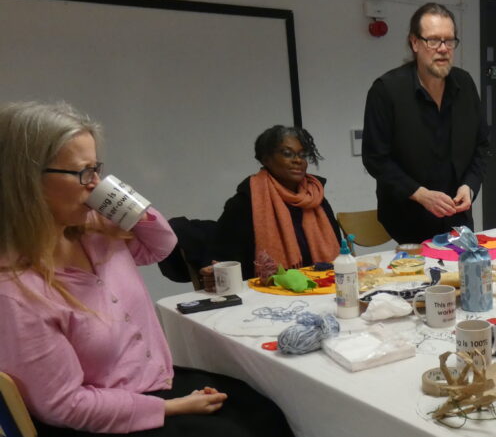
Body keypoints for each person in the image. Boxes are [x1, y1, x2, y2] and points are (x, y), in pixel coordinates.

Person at [0, 101, 293, 436]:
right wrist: (172, 407)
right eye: (84, 172)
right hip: (99, 418)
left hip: (152, 381)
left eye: (98, 171)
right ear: (24, 181)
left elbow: (161, 245)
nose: (96, 184)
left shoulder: (94, 229)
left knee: (267, 410)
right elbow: (65, 406)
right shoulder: (15, 291)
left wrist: (120, 199)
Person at [362, 2, 490, 244]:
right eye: (433, 40)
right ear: (415, 43)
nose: (443, 49)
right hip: (407, 219)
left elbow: (482, 145)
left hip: (457, 218)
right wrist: (420, 194)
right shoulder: (387, 90)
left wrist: (470, 186)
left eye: (449, 41)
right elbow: (375, 158)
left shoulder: (465, 84)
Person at [215, 125, 342, 278]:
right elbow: (226, 260)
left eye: (302, 155)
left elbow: (338, 248)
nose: (298, 160)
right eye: (288, 154)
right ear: (266, 159)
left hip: (323, 282)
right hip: (266, 290)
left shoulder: (315, 196)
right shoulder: (246, 202)